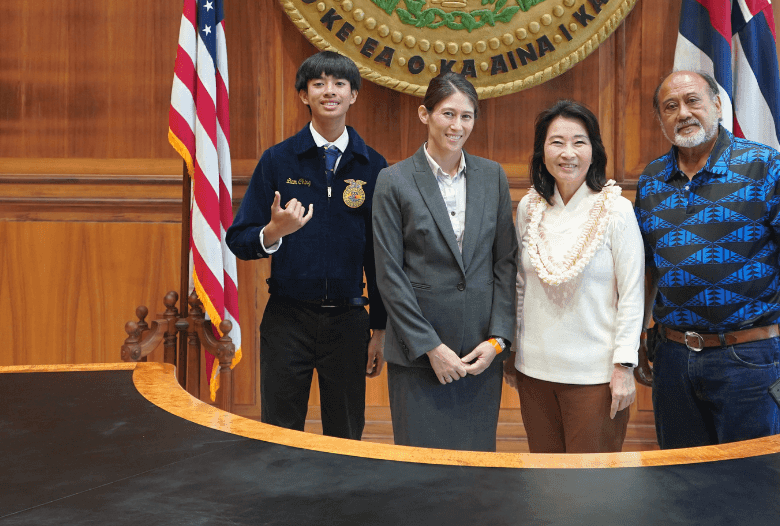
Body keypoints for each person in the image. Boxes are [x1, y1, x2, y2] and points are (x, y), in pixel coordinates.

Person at [634, 70, 780, 449]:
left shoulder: (765, 167)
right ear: (660, 121)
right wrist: (638, 337)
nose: (683, 113)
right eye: (670, 107)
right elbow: (648, 268)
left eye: (694, 101)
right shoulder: (651, 181)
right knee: (680, 484)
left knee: (752, 483)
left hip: (751, 358)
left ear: (718, 106)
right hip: (672, 358)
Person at [226, 50, 387, 440]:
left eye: (339, 84)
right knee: (280, 434)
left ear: (354, 95)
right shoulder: (278, 160)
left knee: (346, 436)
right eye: (318, 83)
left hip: (349, 321)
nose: (328, 91)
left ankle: (342, 503)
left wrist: (380, 328)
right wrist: (274, 232)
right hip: (287, 317)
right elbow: (239, 239)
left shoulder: (374, 166)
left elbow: (379, 258)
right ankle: (281, 504)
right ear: (303, 95)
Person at [371, 73, 517, 451]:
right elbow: (389, 275)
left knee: (477, 473)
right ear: (425, 114)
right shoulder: (393, 180)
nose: (458, 126)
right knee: (421, 478)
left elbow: (505, 262)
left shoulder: (493, 175)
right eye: (448, 114)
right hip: (419, 358)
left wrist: (498, 340)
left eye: (467, 116)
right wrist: (431, 348)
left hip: (478, 357)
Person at [503, 100, 644, 453]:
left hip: (595, 377)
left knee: (589, 491)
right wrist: (513, 352)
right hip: (534, 370)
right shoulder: (528, 207)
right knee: (546, 483)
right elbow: (520, 286)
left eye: (579, 142)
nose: (568, 153)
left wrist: (624, 367)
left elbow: (631, 293)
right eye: (557, 142)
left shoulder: (617, 209)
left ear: (594, 150)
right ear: (542, 151)